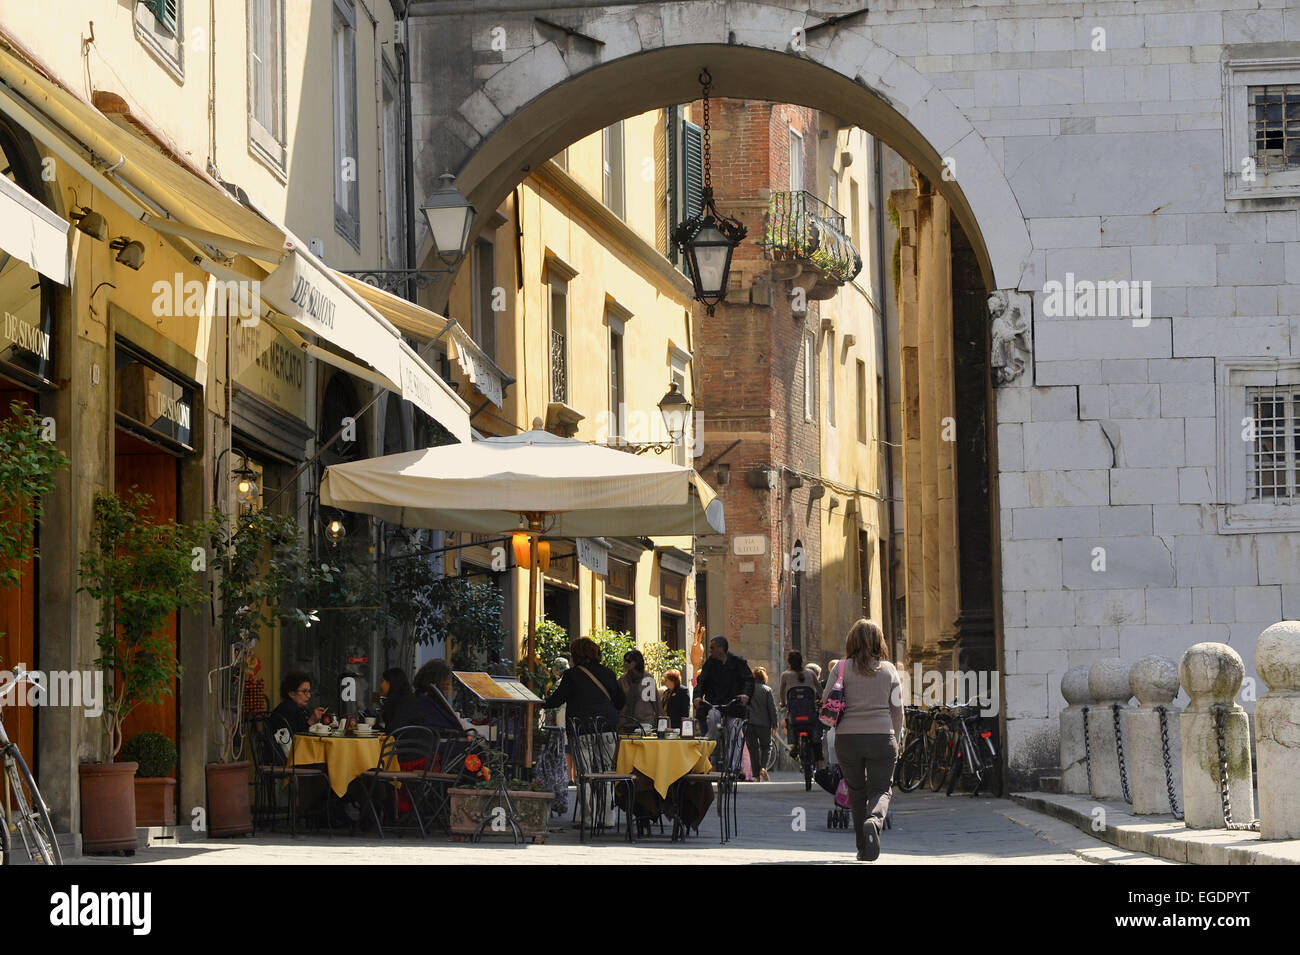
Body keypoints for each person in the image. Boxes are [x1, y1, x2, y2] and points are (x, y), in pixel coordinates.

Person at [833, 618, 903, 863]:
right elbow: (897, 709)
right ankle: (874, 821)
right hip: (882, 736)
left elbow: (827, 698)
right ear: (878, 641)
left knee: (856, 791)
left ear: (851, 640)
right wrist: (898, 738)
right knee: (881, 789)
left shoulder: (840, 667)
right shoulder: (889, 669)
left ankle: (863, 848)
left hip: (847, 738)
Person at [542, 636, 625, 734]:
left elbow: (556, 700)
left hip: (582, 729)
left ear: (576, 655)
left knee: (585, 749)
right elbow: (620, 701)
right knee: (607, 750)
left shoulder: (572, 675)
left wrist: (539, 703)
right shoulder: (608, 673)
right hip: (607, 728)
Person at [695, 636, 754, 746]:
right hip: (714, 704)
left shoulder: (738, 662)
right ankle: (711, 750)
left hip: (733, 705)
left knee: (734, 735)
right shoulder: (710, 664)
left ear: (721, 649)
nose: (710, 650)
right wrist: (697, 696)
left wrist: (745, 695)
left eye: (712, 648)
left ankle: (735, 763)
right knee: (712, 719)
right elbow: (701, 681)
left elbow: (749, 680)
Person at [745, 667, 778, 782]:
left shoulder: (748, 690)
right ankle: (763, 767)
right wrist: (775, 724)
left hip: (749, 724)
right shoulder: (767, 690)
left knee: (753, 749)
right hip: (764, 724)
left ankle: (756, 775)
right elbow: (772, 708)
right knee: (766, 747)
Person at [617, 649, 661, 731]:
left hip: (645, 722)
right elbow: (619, 702)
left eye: (628, 661)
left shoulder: (648, 678)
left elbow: (655, 702)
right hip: (626, 722)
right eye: (624, 661)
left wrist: (661, 721)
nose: (625, 663)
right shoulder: (622, 680)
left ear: (636, 662)